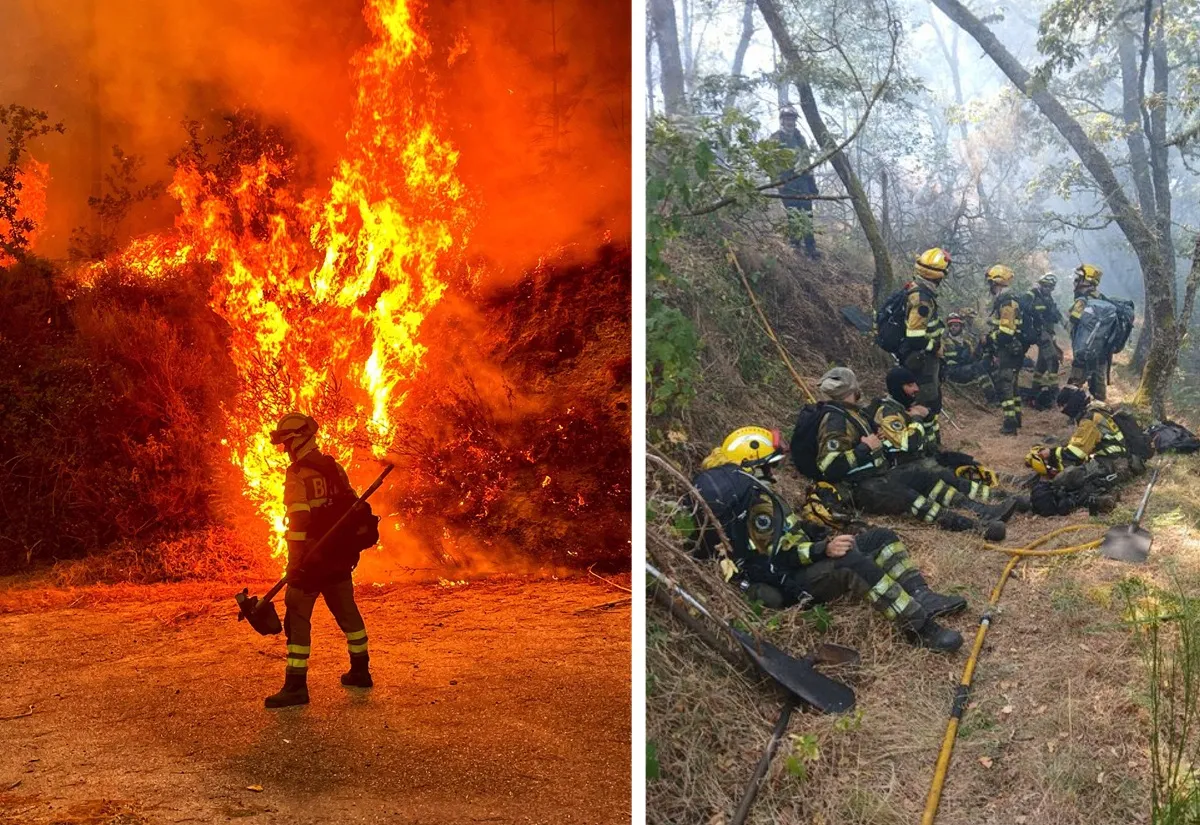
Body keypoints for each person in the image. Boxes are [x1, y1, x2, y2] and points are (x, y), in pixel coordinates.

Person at [693, 426, 963, 652]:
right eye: (769, 466)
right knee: (851, 562)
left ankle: (921, 595)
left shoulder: (753, 495)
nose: (773, 472)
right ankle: (919, 627)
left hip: (797, 564)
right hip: (789, 582)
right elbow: (779, 557)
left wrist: (815, 532)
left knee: (881, 538)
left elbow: (785, 532)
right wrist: (824, 549)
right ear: (751, 465)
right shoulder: (754, 504)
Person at [802, 367, 1010, 537]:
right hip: (859, 487)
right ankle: (974, 527)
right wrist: (865, 448)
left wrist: (876, 441)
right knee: (909, 497)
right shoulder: (836, 420)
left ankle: (982, 510)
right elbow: (829, 465)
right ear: (852, 388)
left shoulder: (851, 414)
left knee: (926, 478)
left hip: (878, 474)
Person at [265, 412, 372, 709]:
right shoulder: (334, 467)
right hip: (338, 555)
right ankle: (361, 670)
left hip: (312, 560)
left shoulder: (298, 474)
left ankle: (296, 686)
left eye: (286, 444)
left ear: (297, 440)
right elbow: (351, 506)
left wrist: (294, 563)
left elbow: (299, 521)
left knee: (297, 616)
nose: (285, 450)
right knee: (348, 612)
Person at [865, 366, 1026, 512]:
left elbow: (930, 442)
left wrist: (928, 418)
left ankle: (1015, 481)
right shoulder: (888, 414)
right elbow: (910, 444)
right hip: (905, 467)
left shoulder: (904, 408)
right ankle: (997, 500)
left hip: (924, 458)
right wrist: (917, 419)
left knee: (963, 462)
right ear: (897, 387)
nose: (916, 389)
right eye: (910, 385)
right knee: (948, 477)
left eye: (915, 384)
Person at [1023, 385, 1145, 516]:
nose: (1063, 410)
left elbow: (1076, 453)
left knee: (1064, 479)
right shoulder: (1098, 411)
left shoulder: (1090, 419)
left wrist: (1051, 453)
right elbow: (1082, 444)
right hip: (1122, 460)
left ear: (1071, 403)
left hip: (1112, 464)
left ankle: (1097, 500)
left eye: (1063, 406)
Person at [898, 248, 952, 445]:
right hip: (922, 361)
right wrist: (935, 347)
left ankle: (933, 444)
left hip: (922, 359)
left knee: (932, 403)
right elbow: (915, 336)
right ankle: (927, 447)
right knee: (926, 404)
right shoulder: (923, 299)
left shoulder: (917, 290)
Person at [981, 264, 1028, 435]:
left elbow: (1006, 333)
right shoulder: (1006, 300)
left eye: (991, 283)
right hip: (1013, 350)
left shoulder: (1007, 303)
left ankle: (1010, 424)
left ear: (996, 283)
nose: (990, 287)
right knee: (1013, 386)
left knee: (1005, 386)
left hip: (1009, 351)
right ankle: (1017, 418)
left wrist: (989, 339)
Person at [769, 106, 820, 258]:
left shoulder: (800, 138)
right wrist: (776, 181)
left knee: (807, 213)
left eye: (792, 119)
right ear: (782, 120)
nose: (790, 122)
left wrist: (812, 186)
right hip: (786, 182)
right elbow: (770, 162)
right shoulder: (775, 138)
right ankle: (795, 245)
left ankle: (810, 247)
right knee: (793, 213)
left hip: (802, 181)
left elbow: (806, 161)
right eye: (787, 119)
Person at [1067, 264, 1107, 399]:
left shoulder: (1082, 301)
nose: (1075, 282)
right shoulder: (1102, 299)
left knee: (1075, 383)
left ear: (1087, 281)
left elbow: (1073, 320)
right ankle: (1100, 408)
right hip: (1101, 351)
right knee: (1098, 385)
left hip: (1083, 351)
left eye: (1078, 278)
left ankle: (1072, 409)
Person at [1028, 273, 1064, 410]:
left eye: (1051, 287)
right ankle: (1055, 395)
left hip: (1048, 333)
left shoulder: (1048, 298)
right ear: (1041, 285)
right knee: (1053, 361)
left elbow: (1055, 316)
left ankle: (1033, 393)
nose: (1048, 289)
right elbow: (1040, 314)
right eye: (1046, 286)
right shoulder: (1037, 297)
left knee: (1041, 365)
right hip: (1041, 332)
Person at [942, 312, 995, 396]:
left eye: (956, 325)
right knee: (976, 367)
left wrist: (981, 344)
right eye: (951, 325)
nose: (953, 327)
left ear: (961, 327)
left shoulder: (966, 341)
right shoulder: (944, 341)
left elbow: (973, 357)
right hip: (953, 372)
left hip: (964, 369)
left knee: (987, 363)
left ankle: (999, 393)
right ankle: (992, 397)